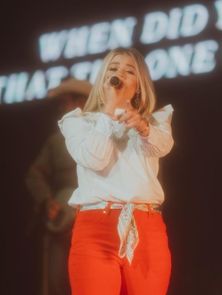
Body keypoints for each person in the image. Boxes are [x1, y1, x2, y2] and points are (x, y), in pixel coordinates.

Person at [58, 48, 174, 295]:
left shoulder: (155, 121)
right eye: (112, 69)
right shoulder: (78, 122)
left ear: (139, 84)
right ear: (103, 79)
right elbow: (95, 159)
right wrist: (109, 113)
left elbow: (162, 147)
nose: (119, 74)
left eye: (129, 70)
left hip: (147, 230)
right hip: (94, 230)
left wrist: (142, 126)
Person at [25, 78, 92, 295]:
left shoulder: (101, 133)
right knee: (57, 281)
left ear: (80, 102)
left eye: (66, 103)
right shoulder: (56, 141)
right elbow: (34, 174)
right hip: (63, 220)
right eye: (61, 104)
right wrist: (47, 201)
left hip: (94, 218)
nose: (62, 108)